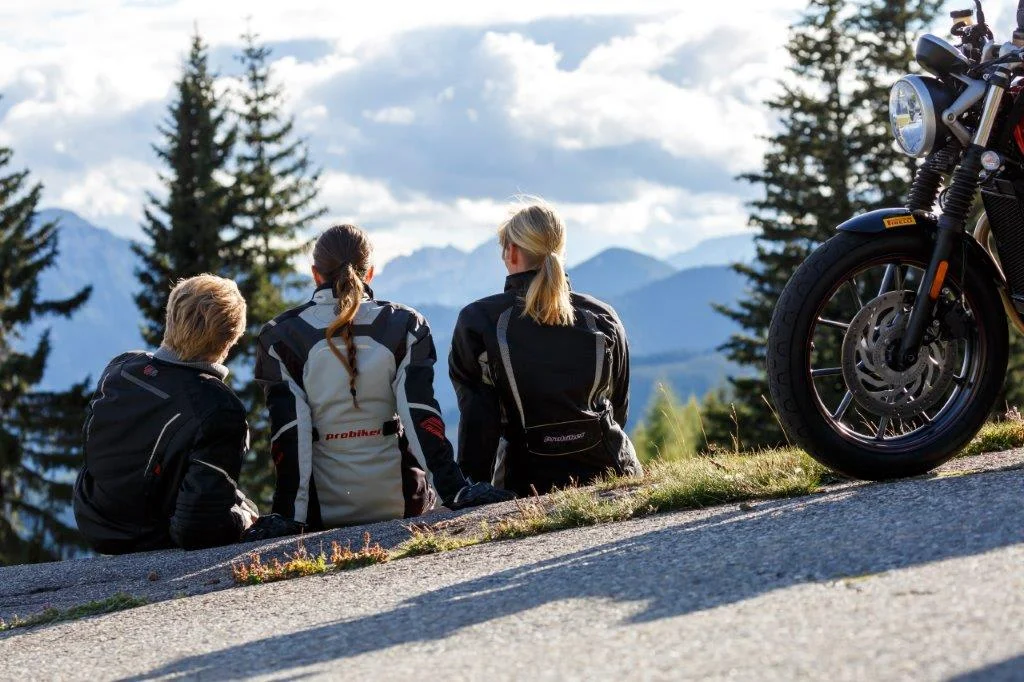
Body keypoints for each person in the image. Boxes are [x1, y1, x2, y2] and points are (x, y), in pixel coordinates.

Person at [245, 224, 513, 541]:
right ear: (370, 272)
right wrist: (455, 491)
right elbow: (420, 415)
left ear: (316, 274)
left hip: (320, 511)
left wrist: (289, 516)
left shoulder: (280, 335)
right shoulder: (406, 324)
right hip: (403, 504)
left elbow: (289, 432)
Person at [450, 201, 643, 496]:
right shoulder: (602, 316)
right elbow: (618, 408)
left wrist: (470, 488)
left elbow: (479, 419)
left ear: (512, 252)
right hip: (613, 473)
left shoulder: (480, 321)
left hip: (527, 482)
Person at [74, 275, 259, 554]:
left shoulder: (122, 368)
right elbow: (197, 528)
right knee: (246, 507)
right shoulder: (220, 408)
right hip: (149, 536)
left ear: (171, 315)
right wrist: (245, 519)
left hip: (94, 518)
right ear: (231, 339)